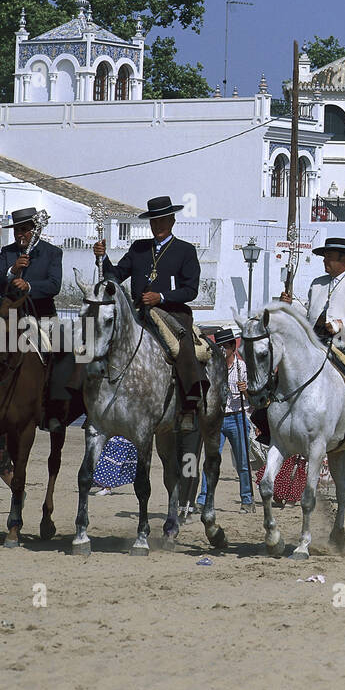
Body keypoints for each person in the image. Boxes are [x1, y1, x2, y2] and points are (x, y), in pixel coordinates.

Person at [94, 195, 206, 432]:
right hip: (139, 312)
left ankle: (189, 402)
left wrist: (161, 297)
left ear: (172, 221)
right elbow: (115, 276)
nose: (158, 226)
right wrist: (102, 258)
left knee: (180, 346)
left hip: (172, 312)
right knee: (102, 339)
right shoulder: (138, 248)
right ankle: (96, 401)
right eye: (154, 222)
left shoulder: (185, 251)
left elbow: (191, 289)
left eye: (163, 221)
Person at [280, 235, 345, 448]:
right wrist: (291, 305)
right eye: (325, 257)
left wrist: (340, 324)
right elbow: (310, 313)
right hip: (316, 340)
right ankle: (269, 419)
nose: (325, 262)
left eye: (329, 258)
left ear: (344, 260)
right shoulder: (317, 284)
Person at [2, 208, 71, 430]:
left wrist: (29, 286)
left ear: (35, 230)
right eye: (17, 231)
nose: (20, 235)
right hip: (10, 315)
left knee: (65, 349)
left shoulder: (52, 252)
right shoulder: (7, 252)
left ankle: (54, 408)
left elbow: (54, 285)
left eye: (24, 230)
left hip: (41, 317)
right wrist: (12, 271)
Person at [197, 328, 254, 512]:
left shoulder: (242, 368)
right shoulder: (213, 367)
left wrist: (245, 390)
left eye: (224, 347)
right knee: (211, 460)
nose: (221, 350)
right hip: (218, 419)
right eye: (218, 347)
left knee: (243, 462)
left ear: (232, 347)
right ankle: (204, 498)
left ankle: (247, 499)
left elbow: (251, 399)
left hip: (237, 416)